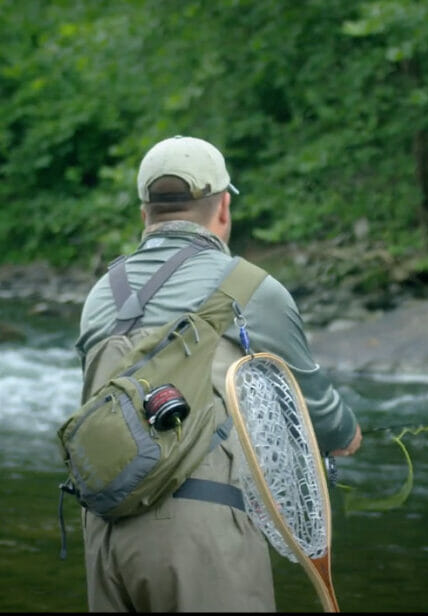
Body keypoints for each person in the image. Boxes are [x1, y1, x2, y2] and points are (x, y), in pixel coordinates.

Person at [73, 135, 362, 612]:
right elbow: (318, 412)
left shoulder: (102, 295)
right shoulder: (252, 289)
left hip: (104, 530)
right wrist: (347, 436)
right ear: (223, 208)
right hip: (202, 525)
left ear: (145, 213)